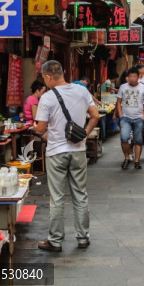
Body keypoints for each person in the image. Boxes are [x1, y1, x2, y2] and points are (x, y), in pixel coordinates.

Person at [32, 60, 100, 252]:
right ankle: (83, 238)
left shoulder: (47, 98)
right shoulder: (82, 91)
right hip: (78, 151)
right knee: (80, 195)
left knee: (57, 197)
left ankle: (55, 241)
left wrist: (34, 129)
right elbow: (95, 116)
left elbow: (41, 128)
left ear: (47, 77)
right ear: (62, 73)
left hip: (56, 153)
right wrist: (84, 134)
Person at [116, 67, 144, 170]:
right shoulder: (123, 87)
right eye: (130, 76)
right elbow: (118, 102)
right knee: (124, 138)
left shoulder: (143, 88)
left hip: (138, 118)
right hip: (125, 118)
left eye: (134, 76)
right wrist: (121, 115)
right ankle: (127, 157)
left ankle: (137, 161)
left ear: (138, 77)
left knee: (138, 140)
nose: (132, 78)